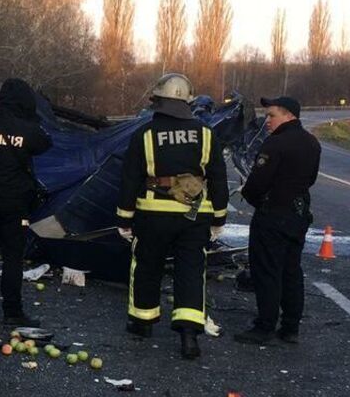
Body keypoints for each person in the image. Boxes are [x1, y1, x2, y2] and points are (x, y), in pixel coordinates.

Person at [115, 73, 229, 360]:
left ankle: (142, 323)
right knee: (191, 271)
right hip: (195, 217)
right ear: (188, 102)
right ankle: (189, 335)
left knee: (147, 266)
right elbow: (217, 178)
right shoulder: (206, 134)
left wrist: (124, 218)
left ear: (159, 100)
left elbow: (130, 178)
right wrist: (219, 218)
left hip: (154, 213)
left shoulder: (144, 134)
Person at [233, 96, 322, 346]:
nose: (267, 121)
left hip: (273, 215)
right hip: (298, 214)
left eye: (271, 115)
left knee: (267, 271)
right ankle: (291, 326)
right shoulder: (312, 142)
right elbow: (311, 179)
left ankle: (265, 326)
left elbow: (257, 183)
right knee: (291, 270)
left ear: (288, 115)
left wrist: (256, 200)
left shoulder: (276, 144)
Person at [0, 78, 51, 325]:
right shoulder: (29, 131)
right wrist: (29, 121)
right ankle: (12, 311)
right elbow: (46, 143)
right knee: (13, 258)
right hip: (15, 204)